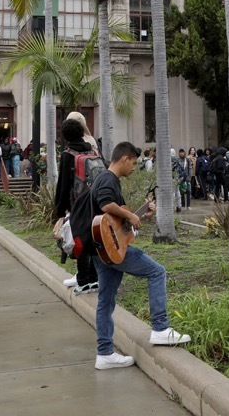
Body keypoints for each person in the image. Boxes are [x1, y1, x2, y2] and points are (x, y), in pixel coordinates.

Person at [87, 141, 191, 369]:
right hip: (109, 249)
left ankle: (104, 353)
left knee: (106, 300)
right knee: (157, 272)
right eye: (133, 163)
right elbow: (106, 205)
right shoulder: (107, 179)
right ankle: (161, 328)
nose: (134, 168)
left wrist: (140, 215)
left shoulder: (107, 180)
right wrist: (130, 215)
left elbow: (119, 226)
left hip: (104, 250)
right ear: (124, 159)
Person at [55, 118, 104, 293]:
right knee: (92, 241)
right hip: (95, 203)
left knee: (80, 242)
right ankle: (94, 279)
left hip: (78, 205)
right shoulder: (93, 151)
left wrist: (59, 209)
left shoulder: (69, 154)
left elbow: (63, 184)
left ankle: (83, 281)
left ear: (66, 136)